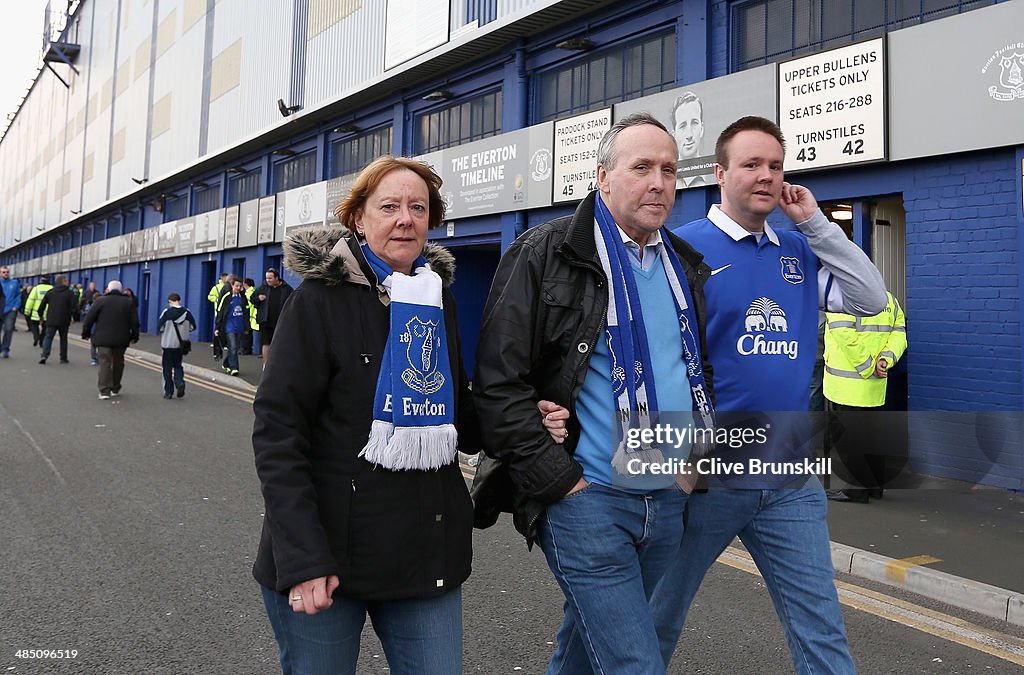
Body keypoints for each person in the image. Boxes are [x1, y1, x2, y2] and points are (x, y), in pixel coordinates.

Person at [472, 112, 716, 674]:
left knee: (585, 652)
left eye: (669, 170)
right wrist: (562, 483)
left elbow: (691, 367)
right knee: (635, 661)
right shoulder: (545, 252)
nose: (659, 183)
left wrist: (690, 468)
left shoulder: (683, 266)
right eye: (642, 168)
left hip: (667, 497)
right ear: (602, 177)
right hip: (588, 497)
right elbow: (498, 381)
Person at [650, 116, 887, 674]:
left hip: (788, 476)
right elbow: (658, 356)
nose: (765, 176)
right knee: (657, 618)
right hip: (706, 475)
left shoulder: (799, 251)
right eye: (751, 164)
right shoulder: (681, 249)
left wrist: (816, 226)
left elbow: (870, 297)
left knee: (821, 629)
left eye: (775, 166)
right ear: (720, 173)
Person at [251, 156, 486, 675]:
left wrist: (522, 414)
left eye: (418, 208)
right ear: (358, 218)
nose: (405, 218)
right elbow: (278, 432)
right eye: (390, 206)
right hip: (329, 555)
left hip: (425, 551)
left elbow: (459, 417)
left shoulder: (435, 298)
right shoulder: (316, 301)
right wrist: (303, 558)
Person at [824, 290, 907, 502]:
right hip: (875, 385)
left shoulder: (840, 298)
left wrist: (868, 367)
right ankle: (875, 487)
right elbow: (899, 332)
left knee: (848, 440)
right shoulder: (889, 299)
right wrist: (885, 360)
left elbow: (844, 335)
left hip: (845, 385)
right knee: (872, 436)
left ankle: (856, 490)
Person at [82, 280, 139, 400]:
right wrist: (134, 336)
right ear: (120, 290)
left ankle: (104, 391)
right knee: (118, 363)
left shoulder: (100, 301)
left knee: (104, 363)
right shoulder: (128, 302)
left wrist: (85, 333)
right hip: (121, 338)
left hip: (103, 338)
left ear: (108, 289)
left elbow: (89, 319)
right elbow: (135, 322)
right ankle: (115, 388)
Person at [157, 292, 196, 399]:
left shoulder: (166, 313)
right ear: (179, 301)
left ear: (170, 301)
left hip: (168, 345)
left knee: (167, 369)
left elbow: (160, 328)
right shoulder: (187, 313)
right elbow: (193, 327)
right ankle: (179, 382)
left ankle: (168, 392)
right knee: (178, 366)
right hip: (180, 345)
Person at [251, 267, 293, 364]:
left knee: (279, 344)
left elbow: (292, 302)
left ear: (277, 278)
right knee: (266, 343)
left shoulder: (286, 288)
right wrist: (258, 298)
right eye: (266, 278)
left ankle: (277, 365)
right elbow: (252, 299)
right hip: (265, 321)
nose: (267, 280)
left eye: (270, 278)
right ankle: (266, 366)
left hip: (280, 321)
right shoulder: (263, 287)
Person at [671, 92, 713, 188]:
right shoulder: (665, 180)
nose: (689, 134)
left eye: (694, 123)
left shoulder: (715, 175)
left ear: (702, 129)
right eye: (683, 126)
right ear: (674, 135)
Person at [37, 274, 78, 364]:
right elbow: (74, 307)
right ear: (63, 282)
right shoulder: (69, 293)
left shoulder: (51, 292)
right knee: (63, 339)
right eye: (66, 280)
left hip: (51, 319)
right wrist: (73, 317)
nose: (68, 282)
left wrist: (41, 316)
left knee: (48, 338)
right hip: (64, 320)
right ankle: (63, 357)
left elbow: (42, 306)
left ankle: (44, 355)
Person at [214, 276, 249, 376]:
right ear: (232, 285)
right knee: (233, 347)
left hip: (240, 326)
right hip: (229, 326)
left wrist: (247, 327)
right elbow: (220, 312)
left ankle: (226, 364)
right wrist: (217, 327)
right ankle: (234, 368)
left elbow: (246, 312)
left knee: (234, 348)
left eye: (240, 286)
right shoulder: (226, 297)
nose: (238, 288)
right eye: (236, 286)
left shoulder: (243, 297)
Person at [24, 277, 52, 348]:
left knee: (34, 326)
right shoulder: (52, 288)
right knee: (45, 328)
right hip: (48, 313)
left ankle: (36, 337)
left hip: (36, 313)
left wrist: (27, 311)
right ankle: (41, 341)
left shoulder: (36, 288)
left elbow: (30, 300)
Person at [208, 272, 229, 360]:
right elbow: (210, 297)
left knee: (225, 329)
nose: (226, 279)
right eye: (225, 277)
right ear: (222, 277)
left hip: (227, 312)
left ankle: (224, 344)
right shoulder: (216, 287)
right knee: (218, 330)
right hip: (219, 312)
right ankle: (218, 346)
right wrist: (217, 299)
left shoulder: (229, 286)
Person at [0, 265, 20, 358]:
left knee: (8, 329)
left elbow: (18, 295)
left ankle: (5, 349)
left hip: (10, 310)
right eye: (3, 272)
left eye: (7, 272)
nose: (6, 273)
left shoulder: (14, 283)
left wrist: (16, 306)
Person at [242, 278, 257, 355]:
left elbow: (248, 304)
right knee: (248, 334)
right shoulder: (252, 291)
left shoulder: (249, 293)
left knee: (247, 334)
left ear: (246, 284)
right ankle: (246, 349)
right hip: (250, 315)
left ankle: (246, 350)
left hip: (248, 315)